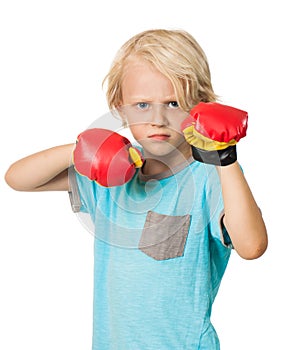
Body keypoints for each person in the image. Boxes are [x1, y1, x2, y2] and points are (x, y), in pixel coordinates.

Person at [5, 29, 268, 349]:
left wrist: (226, 160)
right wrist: (79, 150)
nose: (158, 119)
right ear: (120, 108)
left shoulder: (208, 178)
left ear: (201, 107)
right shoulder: (111, 175)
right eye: (142, 104)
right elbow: (17, 179)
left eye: (173, 103)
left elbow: (252, 246)